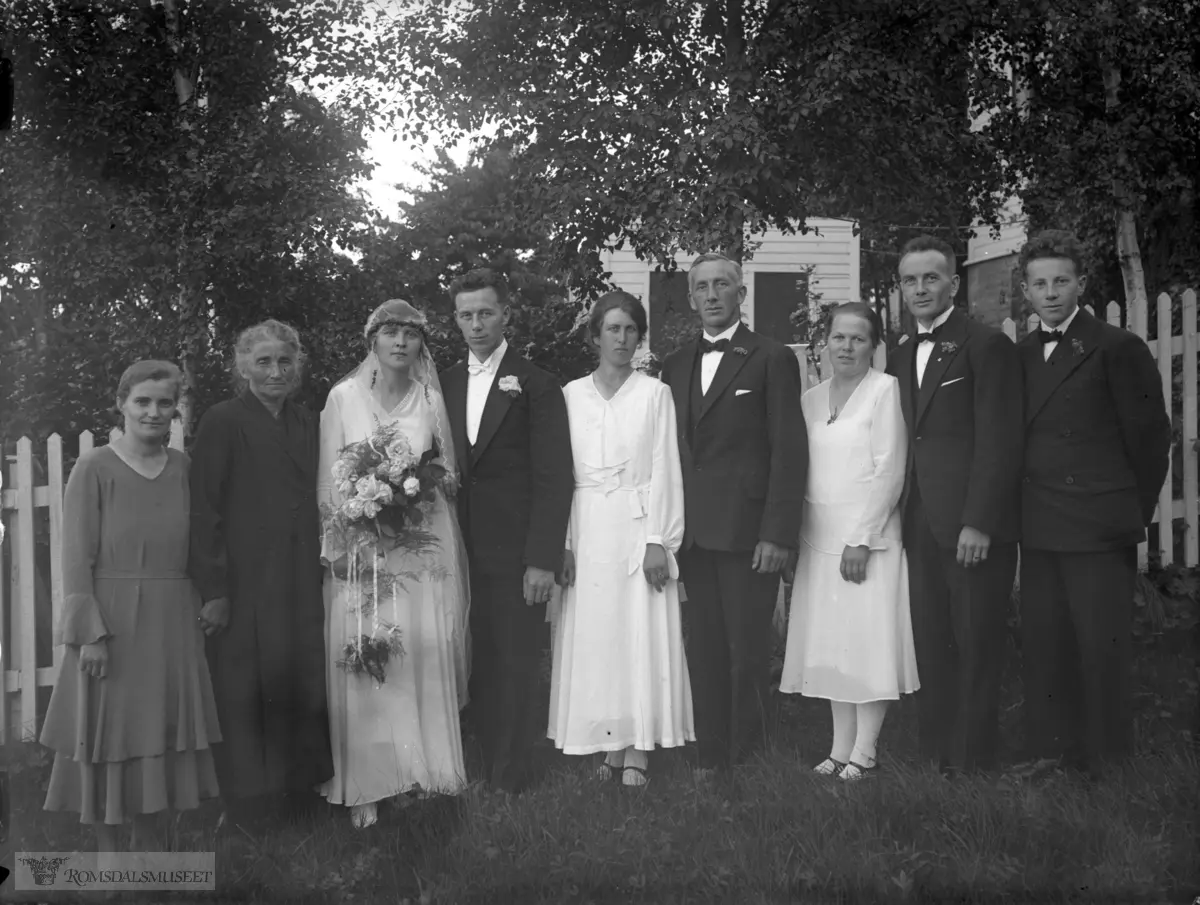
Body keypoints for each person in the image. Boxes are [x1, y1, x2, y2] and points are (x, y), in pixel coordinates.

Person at [41, 360, 222, 851]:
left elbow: (204, 542)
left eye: (165, 403)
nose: (153, 411)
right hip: (112, 619)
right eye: (142, 401)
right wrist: (90, 635)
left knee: (156, 730)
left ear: (176, 411)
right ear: (121, 404)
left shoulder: (184, 467)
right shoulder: (95, 465)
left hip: (172, 618)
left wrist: (209, 596)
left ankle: (149, 846)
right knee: (109, 732)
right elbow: (76, 556)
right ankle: (107, 855)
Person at [1015, 231, 1170, 779]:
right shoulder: (1022, 354)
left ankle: (1107, 762)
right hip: (1038, 526)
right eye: (1040, 283)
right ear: (1026, 292)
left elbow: (1151, 440)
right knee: (1045, 642)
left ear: (1081, 283)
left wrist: (1129, 514)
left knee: (1100, 647)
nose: (1051, 292)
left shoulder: (1116, 346)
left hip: (1098, 527)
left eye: (1061, 281)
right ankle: (1053, 752)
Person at [317, 299, 470, 828]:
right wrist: (339, 540)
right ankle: (366, 784)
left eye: (410, 333)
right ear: (373, 342)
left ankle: (420, 771)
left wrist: (411, 489)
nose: (401, 342)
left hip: (417, 547)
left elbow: (447, 474)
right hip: (361, 546)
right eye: (390, 333)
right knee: (367, 651)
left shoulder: (430, 399)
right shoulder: (343, 398)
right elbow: (327, 480)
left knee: (418, 649)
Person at [659, 252, 807, 778]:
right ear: (692, 296)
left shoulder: (770, 357)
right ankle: (711, 750)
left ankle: (751, 754)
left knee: (747, 651)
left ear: (741, 293)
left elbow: (789, 451)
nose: (713, 294)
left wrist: (778, 533)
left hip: (749, 534)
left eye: (723, 284)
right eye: (702, 287)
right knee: (703, 649)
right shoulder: (673, 365)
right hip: (694, 534)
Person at [885, 235, 1023, 776]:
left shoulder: (986, 345)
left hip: (970, 525)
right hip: (919, 522)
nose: (920, 288)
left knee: (976, 640)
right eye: (910, 280)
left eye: (930, 278)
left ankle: (973, 759)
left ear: (953, 284)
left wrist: (979, 522)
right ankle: (936, 751)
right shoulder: (898, 352)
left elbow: (1000, 440)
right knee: (932, 642)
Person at [188, 320, 333, 816]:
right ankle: (249, 803)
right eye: (264, 361)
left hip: (300, 576)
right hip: (246, 581)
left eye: (285, 361)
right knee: (246, 687)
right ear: (243, 366)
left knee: (299, 679)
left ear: (298, 367)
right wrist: (214, 589)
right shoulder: (223, 420)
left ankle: (299, 793)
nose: (276, 371)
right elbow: (203, 509)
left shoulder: (309, 421)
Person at [549, 292, 694, 786]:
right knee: (599, 639)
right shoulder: (570, 395)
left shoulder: (655, 393)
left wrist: (659, 539)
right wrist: (563, 542)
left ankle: (637, 748)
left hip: (637, 526)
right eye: (612, 329)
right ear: (595, 336)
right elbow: (560, 475)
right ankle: (608, 743)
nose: (622, 338)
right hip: (587, 527)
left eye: (631, 329)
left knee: (637, 634)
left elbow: (664, 468)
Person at [441, 268, 574, 795]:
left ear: (506, 315)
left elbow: (553, 475)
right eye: (466, 315)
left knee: (514, 657)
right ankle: (476, 761)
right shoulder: (444, 383)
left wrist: (541, 557)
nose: (476, 324)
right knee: (472, 658)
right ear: (456, 320)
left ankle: (511, 772)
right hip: (456, 547)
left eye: (486, 313)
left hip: (515, 549)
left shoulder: (536, 383)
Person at [780, 303, 919, 780]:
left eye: (858, 339)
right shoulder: (811, 399)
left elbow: (890, 470)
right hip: (819, 539)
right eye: (839, 337)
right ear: (825, 343)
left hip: (867, 541)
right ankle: (839, 748)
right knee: (833, 646)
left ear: (874, 345)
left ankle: (866, 750)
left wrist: (862, 538)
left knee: (867, 643)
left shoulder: (885, 391)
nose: (846, 347)